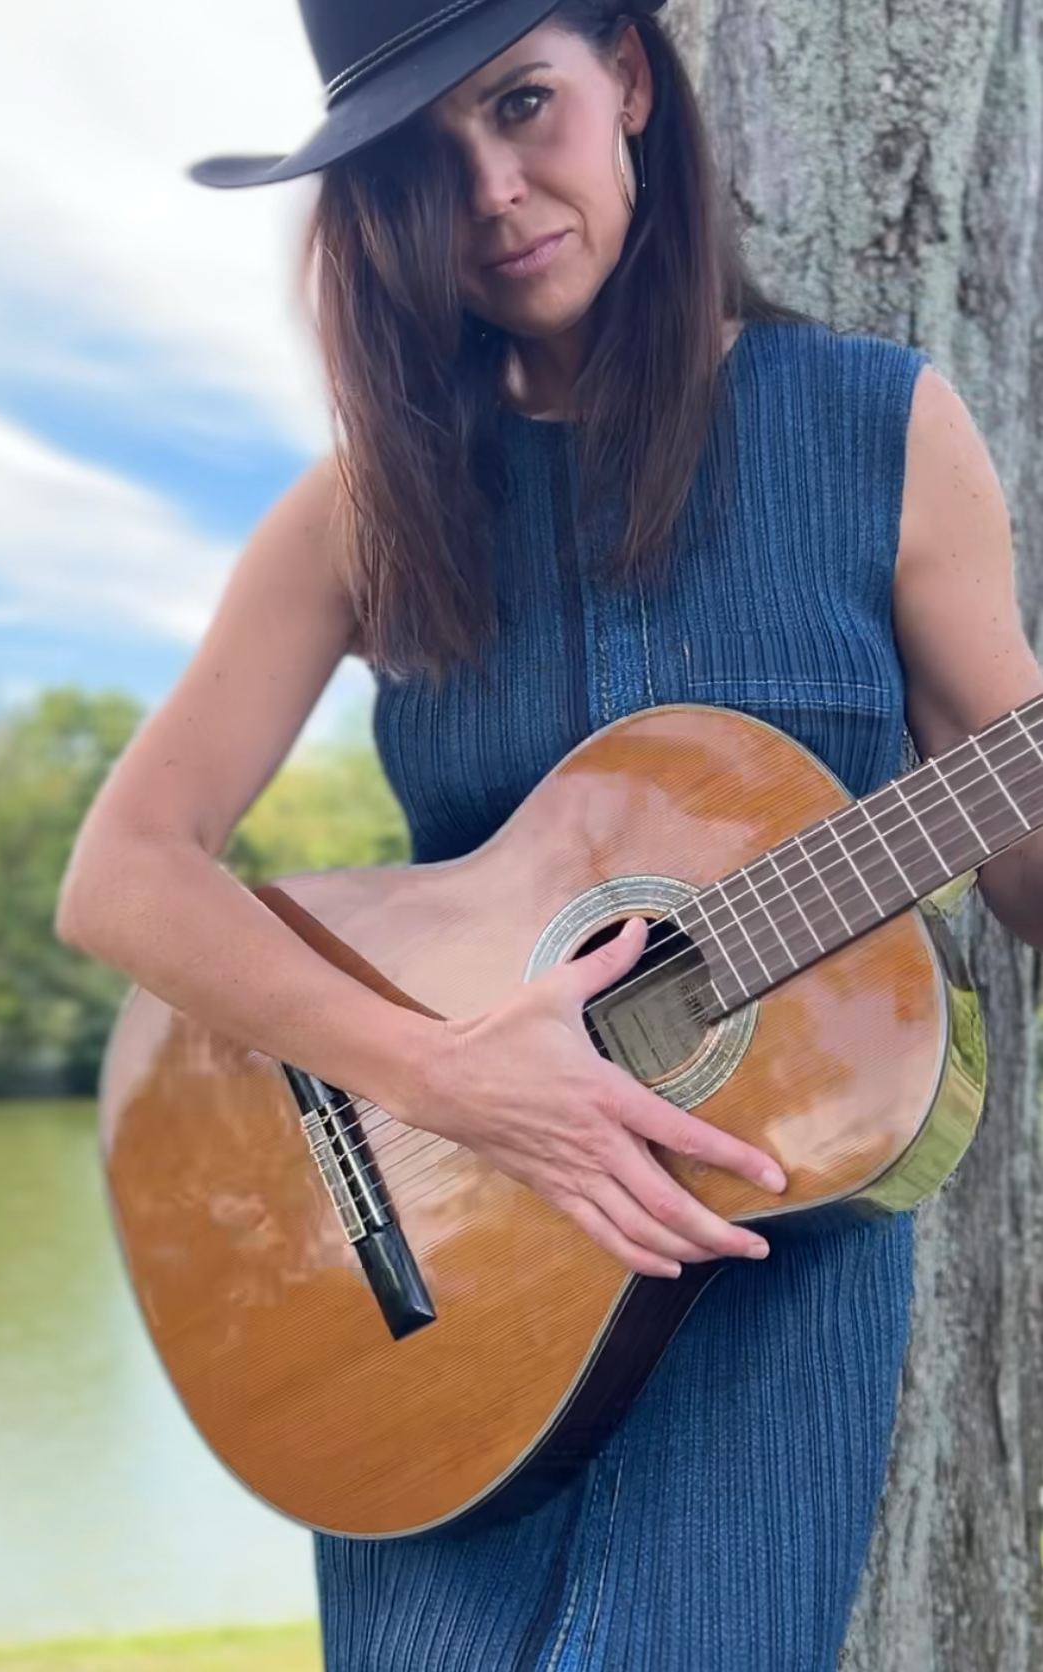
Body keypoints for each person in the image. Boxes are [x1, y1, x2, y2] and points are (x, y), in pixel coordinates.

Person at [56, 1, 1043, 1667]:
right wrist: (442, 1077)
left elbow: (1020, 867)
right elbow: (123, 873)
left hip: (751, 1313)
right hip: (433, 1314)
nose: (494, 191)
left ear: (632, 82)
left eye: (526, 107)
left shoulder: (884, 431)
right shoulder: (367, 505)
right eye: (422, 163)